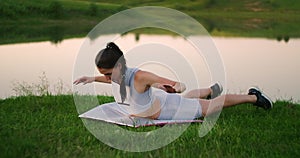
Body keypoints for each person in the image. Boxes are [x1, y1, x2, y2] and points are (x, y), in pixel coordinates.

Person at [73, 42, 273, 120]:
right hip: (157, 104)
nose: (108, 78)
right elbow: (113, 83)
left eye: (108, 74)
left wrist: (173, 88)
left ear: (118, 67)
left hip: (167, 109)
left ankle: (254, 97)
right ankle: (210, 89)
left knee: (210, 107)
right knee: (190, 99)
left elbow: (179, 85)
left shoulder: (140, 76)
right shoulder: (118, 76)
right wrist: (92, 79)